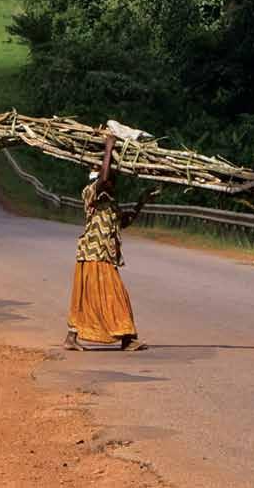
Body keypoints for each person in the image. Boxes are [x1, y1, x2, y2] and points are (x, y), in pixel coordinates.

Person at [65, 132, 159, 351]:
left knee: (97, 297)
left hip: (105, 256)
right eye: (110, 179)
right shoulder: (90, 194)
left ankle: (120, 338)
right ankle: (125, 338)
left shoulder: (111, 203)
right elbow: (104, 179)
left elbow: (123, 222)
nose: (113, 182)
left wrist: (141, 203)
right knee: (108, 296)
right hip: (92, 254)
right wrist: (109, 148)